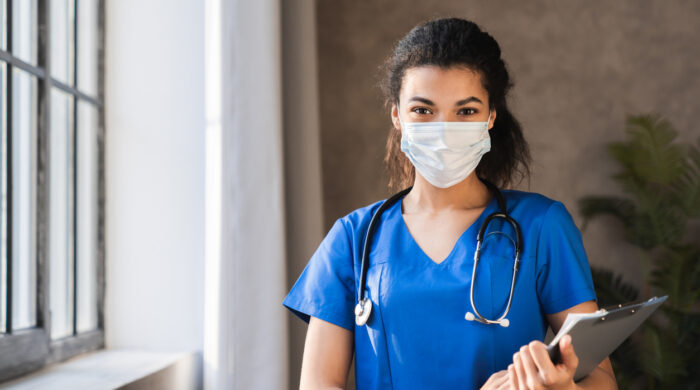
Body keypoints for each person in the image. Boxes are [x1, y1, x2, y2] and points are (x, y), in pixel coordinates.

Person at [282, 17, 617, 390]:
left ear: (491, 116)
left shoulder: (542, 226)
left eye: (466, 111)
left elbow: (600, 379)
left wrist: (559, 388)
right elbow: (319, 384)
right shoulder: (353, 239)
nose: (443, 129)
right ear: (397, 115)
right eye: (423, 111)